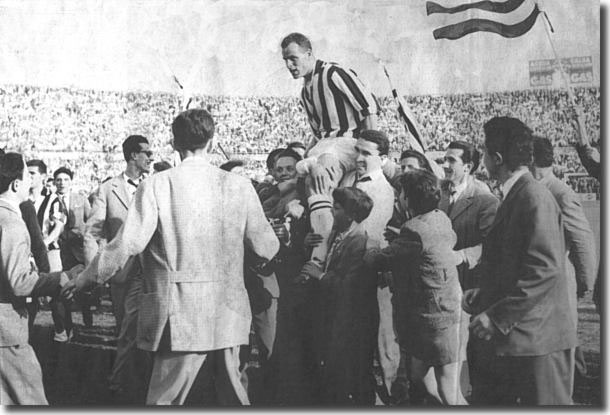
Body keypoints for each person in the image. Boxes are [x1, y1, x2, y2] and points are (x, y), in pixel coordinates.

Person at [64, 109, 279, 405]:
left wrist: (86, 279)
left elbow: (127, 244)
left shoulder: (157, 184)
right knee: (231, 398)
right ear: (213, 143)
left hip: (179, 312)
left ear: (174, 143)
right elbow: (265, 246)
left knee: (167, 400)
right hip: (228, 312)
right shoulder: (238, 185)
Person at [463, 117, 577, 405]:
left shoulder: (533, 196)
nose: (483, 159)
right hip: (524, 339)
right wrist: (485, 295)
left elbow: (544, 269)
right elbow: (515, 263)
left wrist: (497, 316)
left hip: (536, 343)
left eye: (485, 152)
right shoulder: (520, 193)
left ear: (497, 158)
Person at [364, 170, 468, 405]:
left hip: (435, 318)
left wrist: (370, 242)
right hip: (445, 309)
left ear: (408, 198)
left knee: (448, 391)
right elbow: (434, 243)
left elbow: (377, 261)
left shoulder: (414, 231)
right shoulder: (439, 217)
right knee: (424, 377)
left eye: (401, 193)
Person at [281, 32, 378, 268]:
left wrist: (370, 150)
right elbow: (319, 133)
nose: (289, 65)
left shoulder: (333, 73)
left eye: (293, 58)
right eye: (285, 60)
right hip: (326, 144)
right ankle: (303, 234)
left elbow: (368, 107)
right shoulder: (305, 91)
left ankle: (320, 253)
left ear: (309, 54)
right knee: (296, 178)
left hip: (348, 141)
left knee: (320, 170)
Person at [0, 152, 81, 405]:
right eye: (27, 177)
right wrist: (60, 279)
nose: (30, 183)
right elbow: (19, 281)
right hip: (7, 332)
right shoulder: (11, 223)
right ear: (15, 184)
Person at [83, 135, 153, 396]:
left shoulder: (156, 185)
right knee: (126, 327)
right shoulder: (108, 188)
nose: (151, 157)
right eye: (146, 152)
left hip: (154, 272)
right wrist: (95, 272)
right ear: (133, 155)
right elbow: (93, 232)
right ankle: (128, 386)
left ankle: (123, 381)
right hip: (122, 271)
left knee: (143, 329)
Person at [300, 187, 378, 405]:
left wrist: (321, 276)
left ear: (351, 215)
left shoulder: (360, 242)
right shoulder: (338, 233)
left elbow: (350, 287)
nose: (332, 213)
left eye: (336, 208)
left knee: (354, 375)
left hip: (353, 322)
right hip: (337, 318)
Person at [532, 136, 597, 387]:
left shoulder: (559, 191)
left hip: (557, 284)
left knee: (559, 353)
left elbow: (582, 240)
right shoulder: (538, 188)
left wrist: (584, 282)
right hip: (541, 286)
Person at [439, 141, 499, 290]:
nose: (445, 165)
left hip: (467, 282)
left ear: (468, 167)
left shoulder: (485, 199)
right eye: (444, 160)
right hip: (438, 280)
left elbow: (492, 244)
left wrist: (462, 256)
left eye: (451, 160)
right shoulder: (438, 191)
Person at [52, 166, 92, 340]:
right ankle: (66, 326)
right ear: (54, 182)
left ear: (70, 182)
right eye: (59, 180)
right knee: (61, 290)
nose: (62, 183)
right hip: (59, 250)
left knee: (81, 288)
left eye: (65, 179)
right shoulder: (49, 201)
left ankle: (86, 311)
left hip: (78, 250)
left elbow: (91, 222)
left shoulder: (80, 199)